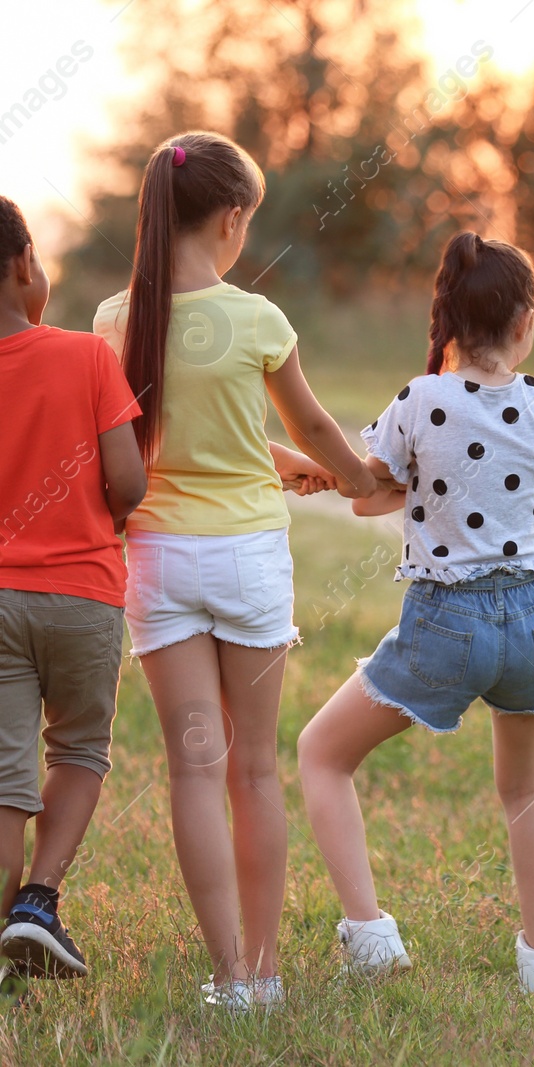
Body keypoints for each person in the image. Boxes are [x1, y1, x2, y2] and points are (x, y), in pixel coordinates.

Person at [93, 131, 378, 1011]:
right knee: (254, 770)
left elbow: (169, 443)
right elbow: (322, 427)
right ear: (231, 218)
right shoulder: (257, 320)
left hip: (161, 559)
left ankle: (228, 978)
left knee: (194, 770)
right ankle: (267, 969)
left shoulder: (113, 320)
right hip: (248, 558)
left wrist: (285, 459)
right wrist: (365, 483)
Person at [297, 231, 534, 995]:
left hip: (450, 619)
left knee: (321, 754)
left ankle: (370, 936)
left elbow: (368, 491)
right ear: (525, 320)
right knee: (526, 787)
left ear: (448, 318)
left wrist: (326, 478)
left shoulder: (420, 399)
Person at [0, 197, 146, 979]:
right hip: (86, 594)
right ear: (26, 264)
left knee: (3, 775)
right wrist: (107, 512)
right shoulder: (86, 356)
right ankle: (38, 903)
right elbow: (128, 479)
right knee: (80, 748)